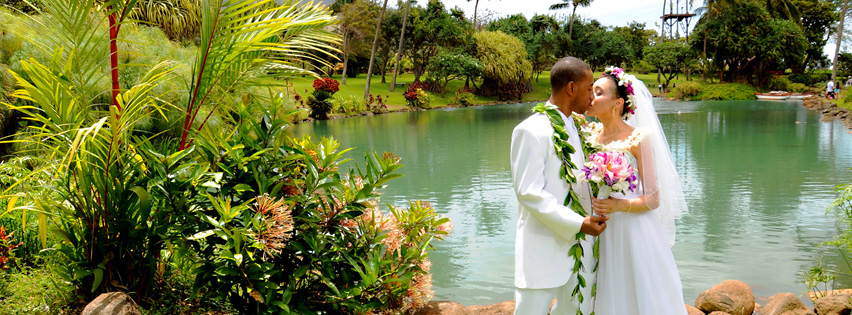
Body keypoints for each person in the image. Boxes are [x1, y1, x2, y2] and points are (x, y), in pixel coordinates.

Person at [584, 67, 689, 315]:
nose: (591, 97)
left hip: (633, 231)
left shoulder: (638, 139)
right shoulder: (588, 135)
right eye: (591, 90)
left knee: (639, 292)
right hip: (599, 229)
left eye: (598, 92)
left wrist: (619, 205)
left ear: (617, 103)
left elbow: (654, 199)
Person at [510, 57, 608, 315]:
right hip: (542, 249)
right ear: (572, 88)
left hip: (579, 250)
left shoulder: (576, 126)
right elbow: (528, 193)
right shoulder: (531, 130)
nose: (592, 97)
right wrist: (579, 223)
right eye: (589, 89)